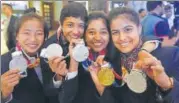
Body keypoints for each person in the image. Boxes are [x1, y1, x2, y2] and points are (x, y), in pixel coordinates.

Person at [91, 7, 179, 103]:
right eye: (115, 32)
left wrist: (166, 85)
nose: (122, 37)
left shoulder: (170, 56)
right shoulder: (113, 65)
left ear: (139, 28)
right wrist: (101, 87)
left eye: (128, 29)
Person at [72, 11, 161, 103]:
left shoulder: (117, 58)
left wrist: (145, 49)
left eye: (103, 32)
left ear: (109, 35)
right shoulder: (77, 60)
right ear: (84, 35)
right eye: (91, 32)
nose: (98, 37)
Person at [1, 13, 59, 103]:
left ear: (45, 37)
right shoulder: (3, 62)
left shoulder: (47, 57)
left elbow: (51, 91)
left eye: (39, 33)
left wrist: (58, 77)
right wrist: (4, 94)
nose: (33, 39)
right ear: (17, 35)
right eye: (26, 33)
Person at [41, 2, 88, 103]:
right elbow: (48, 90)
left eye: (81, 26)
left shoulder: (87, 40)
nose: (76, 32)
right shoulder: (48, 48)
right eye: (70, 25)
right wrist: (58, 77)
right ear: (61, 25)